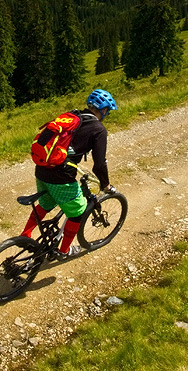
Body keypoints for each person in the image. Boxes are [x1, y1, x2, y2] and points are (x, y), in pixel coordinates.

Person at [22, 88, 117, 257]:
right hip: (61, 177)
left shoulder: (72, 116)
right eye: (107, 111)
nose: (107, 114)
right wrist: (106, 185)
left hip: (42, 168)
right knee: (78, 212)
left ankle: (25, 234)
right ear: (103, 110)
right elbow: (99, 165)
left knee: (45, 203)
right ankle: (64, 250)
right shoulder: (98, 129)